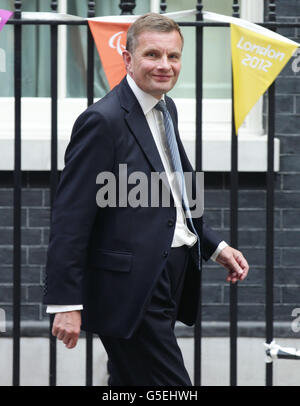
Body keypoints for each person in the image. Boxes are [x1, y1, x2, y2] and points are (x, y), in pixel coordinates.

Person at [44, 12, 249, 386]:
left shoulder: (166, 108)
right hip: (132, 287)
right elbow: (70, 218)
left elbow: (178, 192)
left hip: (171, 274)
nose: (164, 65)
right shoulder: (103, 121)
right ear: (127, 59)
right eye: (152, 55)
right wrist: (66, 303)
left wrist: (214, 246)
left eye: (173, 56)